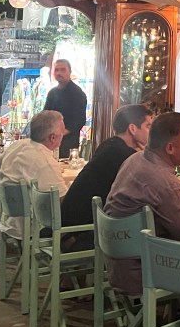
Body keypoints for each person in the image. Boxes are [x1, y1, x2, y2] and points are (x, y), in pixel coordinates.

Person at [103, 112, 180, 294]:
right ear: (170, 148)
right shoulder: (166, 184)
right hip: (142, 273)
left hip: (115, 261)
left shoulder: (134, 159)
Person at [60, 105, 153, 249]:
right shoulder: (125, 155)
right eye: (148, 126)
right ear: (132, 129)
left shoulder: (109, 145)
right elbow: (150, 186)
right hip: (82, 233)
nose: (151, 132)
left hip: (69, 224)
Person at [0, 110, 68, 237]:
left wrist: (10, 197)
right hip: (34, 228)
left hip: (9, 222)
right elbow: (63, 202)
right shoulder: (46, 162)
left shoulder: (17, 145)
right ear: (53, 137)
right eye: (62, 133)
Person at [43, 59, 88, 155]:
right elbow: (44, 116)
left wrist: (59, 135)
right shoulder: (52, 93)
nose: (59, 73)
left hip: (67, 144)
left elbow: (79, 120)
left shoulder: (77, 94)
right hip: (49, 142)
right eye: (56, 70)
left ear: (70, 72)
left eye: (63, 70)